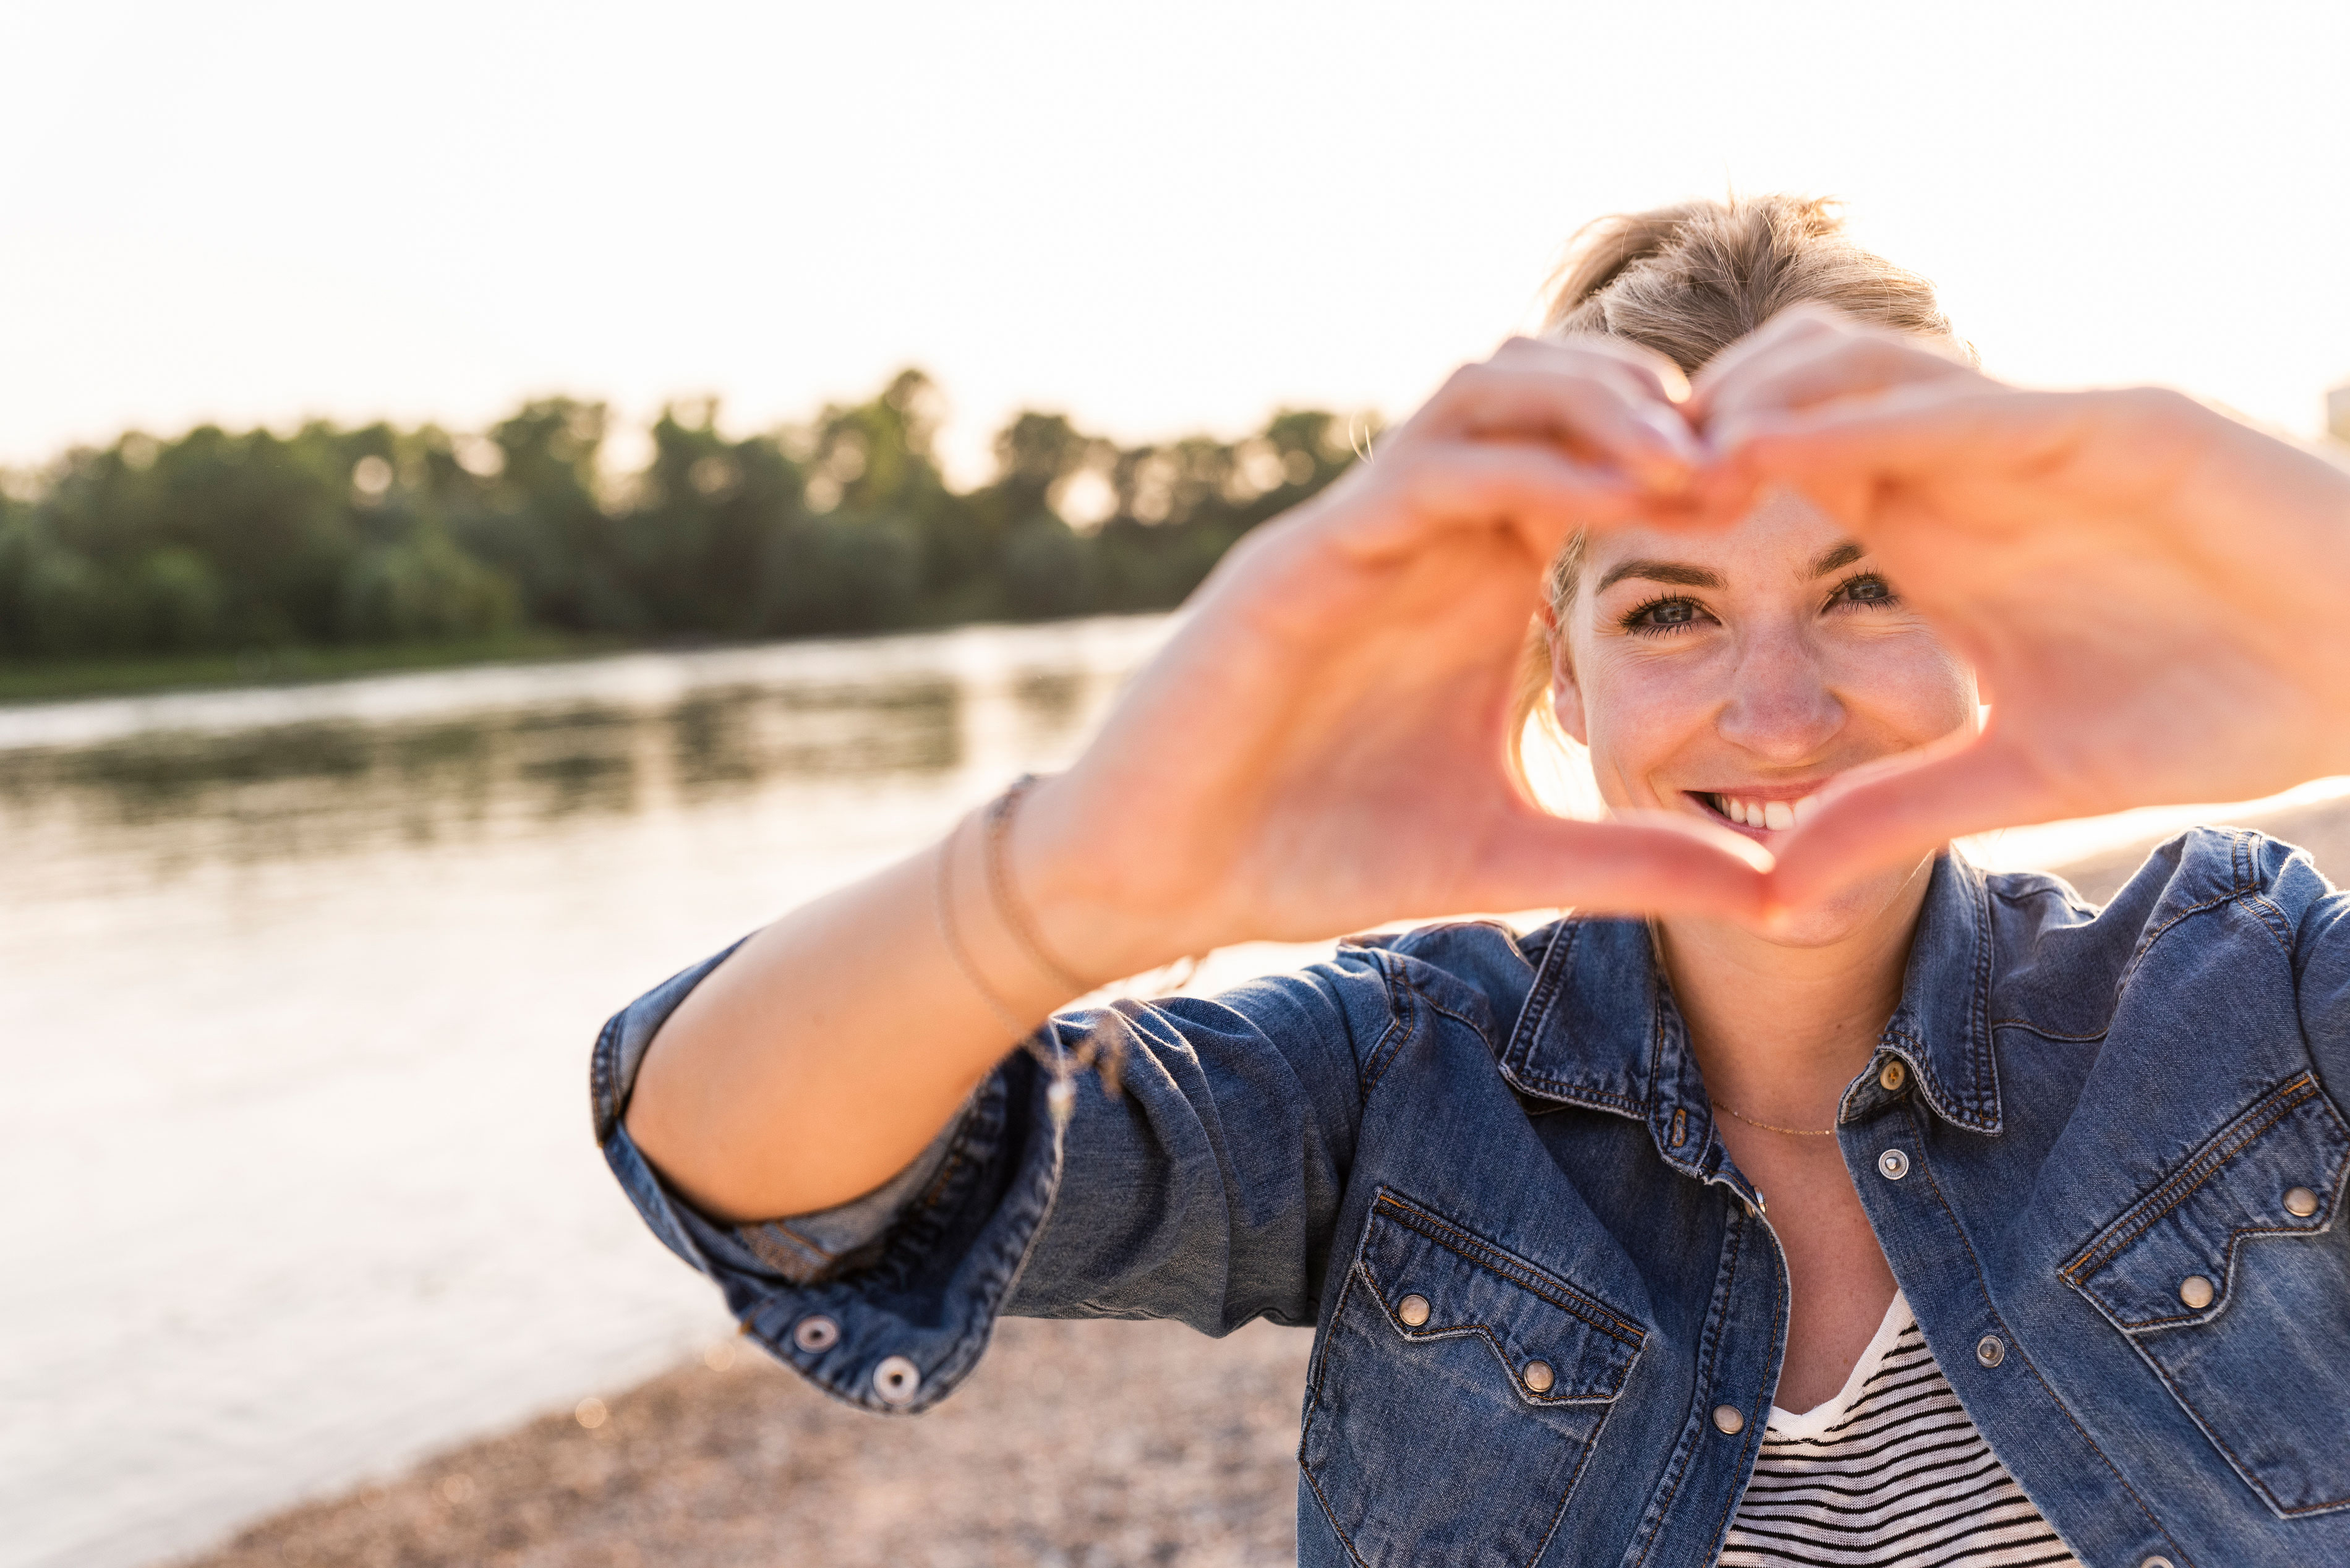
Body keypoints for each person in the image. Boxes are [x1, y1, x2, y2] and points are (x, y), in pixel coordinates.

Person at [593, 195, 2350, 1567]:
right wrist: (1067, 886)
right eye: (1671, 611)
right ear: (1560, 675)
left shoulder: (2245, 989)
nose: (1780, 710)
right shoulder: (1408, 1075)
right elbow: (744, 1168)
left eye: (1867, 588)